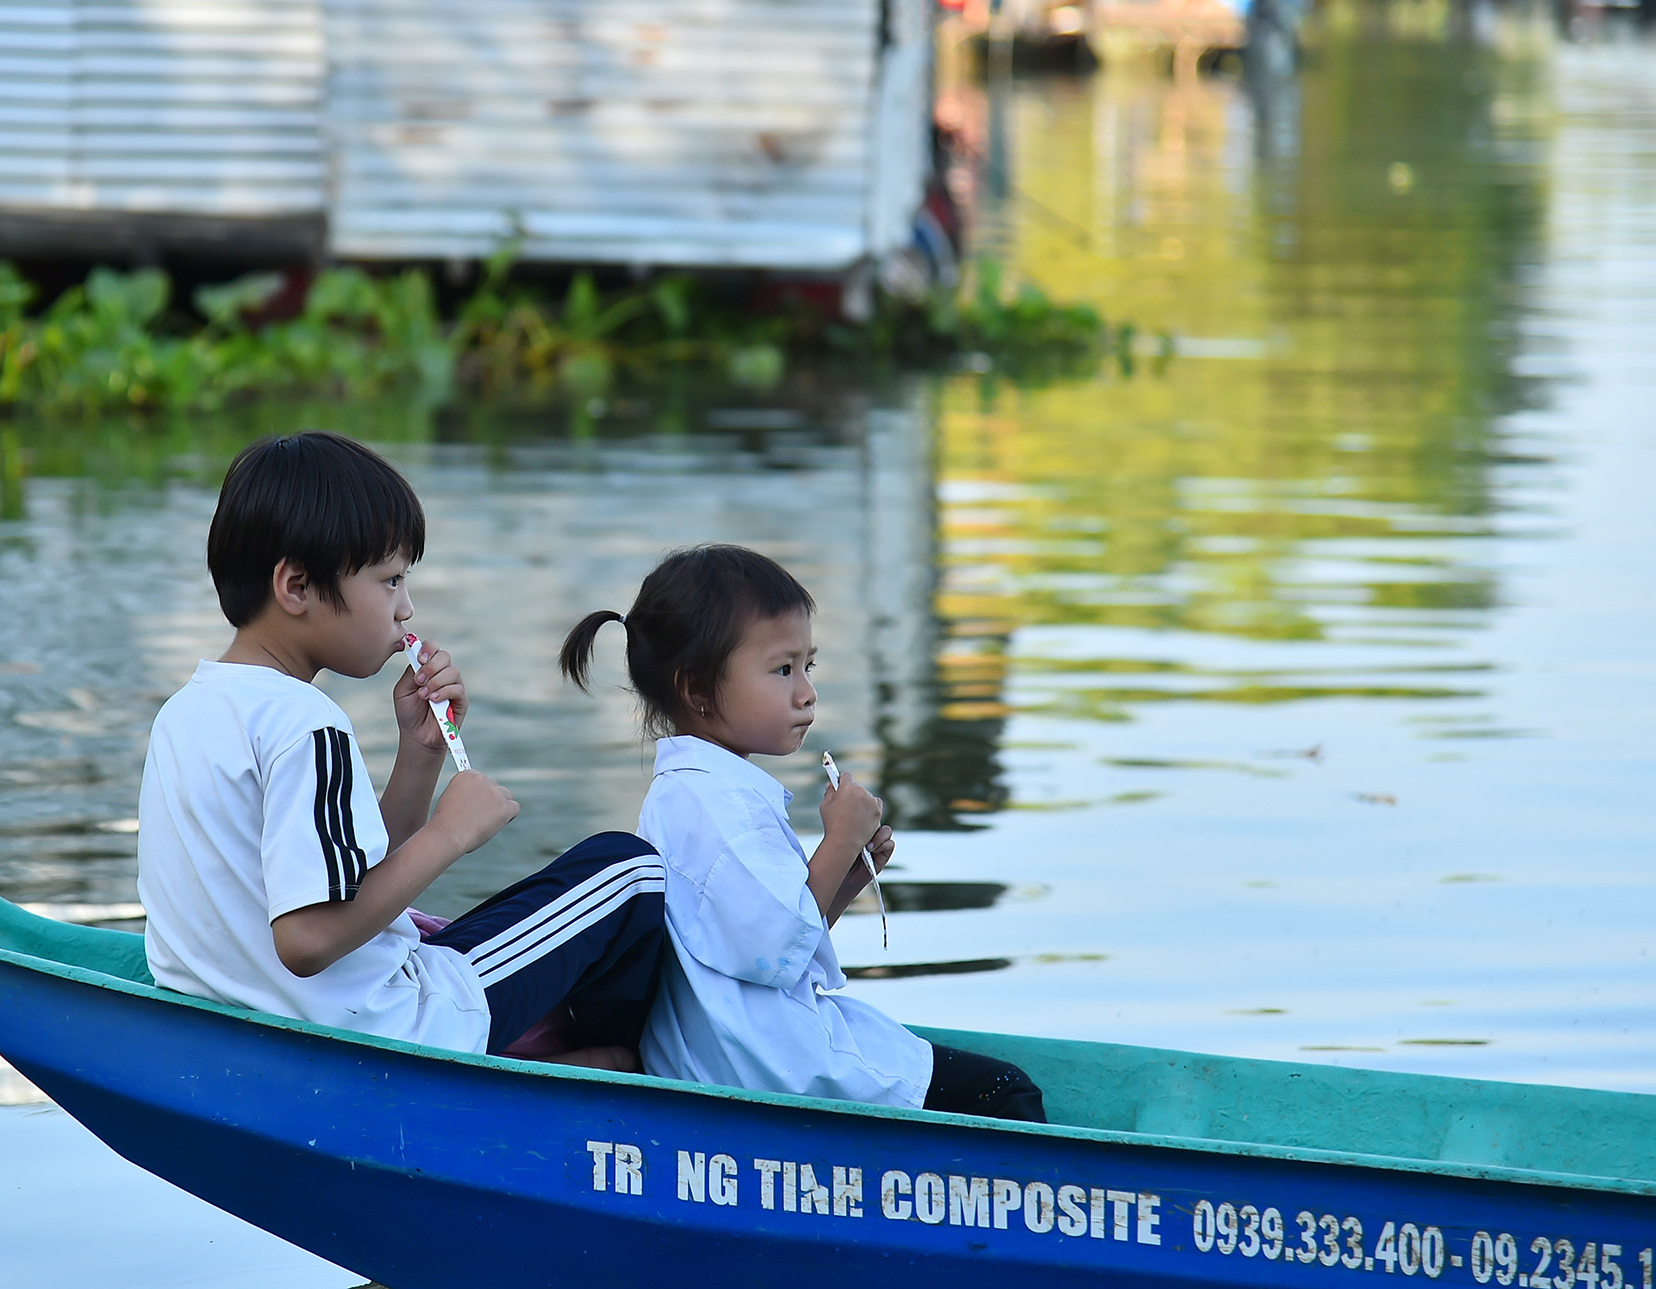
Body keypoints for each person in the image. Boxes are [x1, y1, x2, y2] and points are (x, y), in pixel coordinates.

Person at [137, 431, 666, 1070]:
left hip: (254, 1015)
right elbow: (306, 939)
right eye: (389, 581)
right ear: (296, 586)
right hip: (391, 1025)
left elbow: (336, 881)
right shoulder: (307, 723)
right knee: (630, 872)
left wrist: (420, 754)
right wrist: (450, 833)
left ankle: (580, 1056)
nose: (406, 609)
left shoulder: (185, 711)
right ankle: (617, 1068)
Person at [559, 545, 1046, 1120]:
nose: (807, 692)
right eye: (782, 669)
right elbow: (773, 947)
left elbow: (767, 943)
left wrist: (848, 876)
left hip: (732, 1046)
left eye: (808, 666)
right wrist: (837, 842)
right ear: (697, 691)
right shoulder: (718, 805)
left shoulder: (695, 792)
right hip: (765, 1057)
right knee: (1005, 1091)